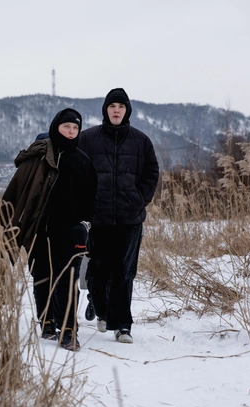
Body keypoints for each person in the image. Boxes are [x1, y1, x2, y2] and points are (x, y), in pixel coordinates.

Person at [0, 108, 98, 351]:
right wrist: (11, 224)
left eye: (75, 128)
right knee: (42, 276)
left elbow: (93, 197)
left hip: (71, 231)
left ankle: (68, 330)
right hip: (40, 229)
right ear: (56, 127)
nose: (71, 131)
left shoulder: (83, 161)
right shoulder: (40, 158)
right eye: (67, 127)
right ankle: (47, 321)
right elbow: (17, 191)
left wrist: (85, 223)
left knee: (67, 279)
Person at [78, 88, 159, 344]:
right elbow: (77, 174)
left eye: (121, 107)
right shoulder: (87, 139)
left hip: (129, 219)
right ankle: (102, 311)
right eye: (112, 106)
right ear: (105, 110)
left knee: (124, 272)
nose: (116, 110)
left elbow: (151, 174)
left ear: (127, 111)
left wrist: (139, 200)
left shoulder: (141, 141)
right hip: (97, 219)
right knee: (97, 272)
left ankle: (123, 325)